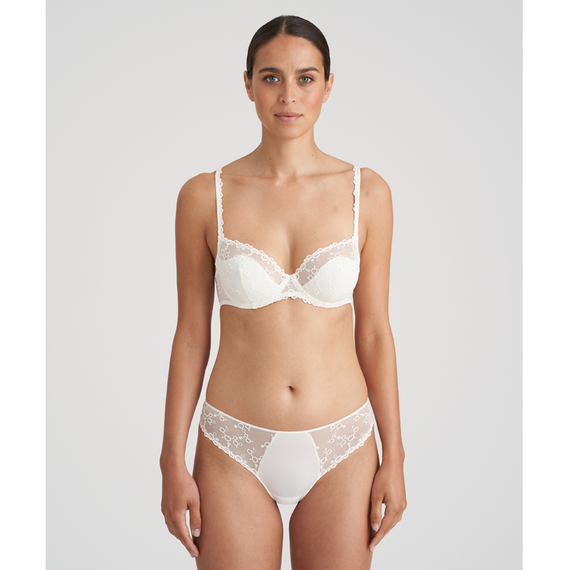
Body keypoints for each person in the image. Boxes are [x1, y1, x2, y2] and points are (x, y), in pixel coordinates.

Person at [160, 14, 406, 570]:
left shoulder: (367, 194)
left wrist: (395, 455)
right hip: (232, 446)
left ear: (328, 85)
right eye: (271, 77)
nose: (288, 95)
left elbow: (374, 332)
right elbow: (190, 335)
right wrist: (171, 459)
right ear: (247, 84)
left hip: (343, 444)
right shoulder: (204, 196)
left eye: (305, 78)